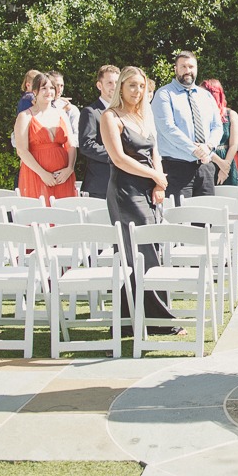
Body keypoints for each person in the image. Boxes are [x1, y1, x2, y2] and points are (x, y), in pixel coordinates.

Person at [99, 66, 181, 334]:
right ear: (121, 87)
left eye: (141, 86)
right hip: (126, 191)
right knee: (140, 251)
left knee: (151, 246)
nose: (137, 91)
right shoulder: (110, 117)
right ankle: (160, 321)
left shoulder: (144, 115)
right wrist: (156, 175)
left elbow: (154, 149)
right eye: (131, 85)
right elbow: (119, 158)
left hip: (149, 187)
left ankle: (129, 320)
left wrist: (158, 182)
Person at [153, 51, 223, 203]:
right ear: (175, 69)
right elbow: (167, 128)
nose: (187, 70)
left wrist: (208, 146)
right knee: (180, 221)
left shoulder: (206, 96)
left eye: (191, 66)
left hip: (205, 168)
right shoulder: (164, 94)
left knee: (206, 221)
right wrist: (195, 150)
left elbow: (217, 126)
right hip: (177, 169)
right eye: (183, 66)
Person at [15, 71, 78, 203]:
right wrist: (42, 173)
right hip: (36, 174)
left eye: (51, 88)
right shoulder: (25, 116)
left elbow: (71, 144)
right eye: (44, 88)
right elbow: (21, 150)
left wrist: (69, 168)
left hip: (63, 175)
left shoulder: (62, 114)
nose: (48, 92)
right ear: (35, 91)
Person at [77, 65, 120, 200]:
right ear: (99, 85)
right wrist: (116, 156)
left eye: (117, 82)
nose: (114, 86)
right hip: (100, 184)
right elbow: (87, 145)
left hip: (123, 182)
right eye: (109, 83)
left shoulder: (124, 112)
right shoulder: (91, 112)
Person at [201, 78, 238, 185]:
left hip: (227, 160)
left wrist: (224, 168)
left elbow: (234, 144)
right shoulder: (200, 117)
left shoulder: (231, 115)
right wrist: (219, 162)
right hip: (207, 160)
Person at [50, 70, 80, 140]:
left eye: (62, 85)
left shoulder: (71, 109)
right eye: (56, 85)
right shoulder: (38, 105)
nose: (60, 89)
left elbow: (77, 135)